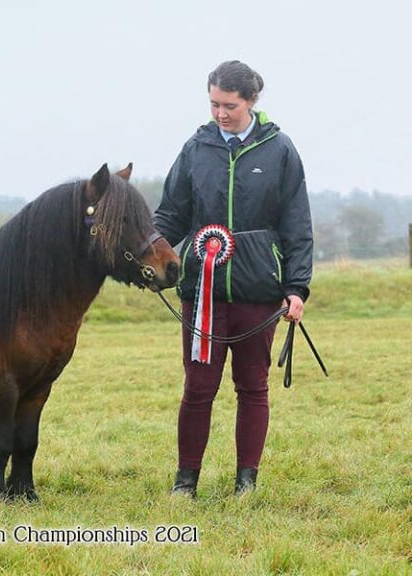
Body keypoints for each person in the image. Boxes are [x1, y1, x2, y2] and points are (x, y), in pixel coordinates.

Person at [153, 60, 313, 497]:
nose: (220, 113)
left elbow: (296, 224)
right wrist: (151, 252)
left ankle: (247, 482)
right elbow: (171, 213)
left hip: (258, 291)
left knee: (252, 386)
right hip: (201, 293)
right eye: (213, 104)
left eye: (229, 105)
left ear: (252, 102)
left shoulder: (280, 149)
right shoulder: (195, 148)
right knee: (198, 388)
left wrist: (296, 287)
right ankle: (186, 482)